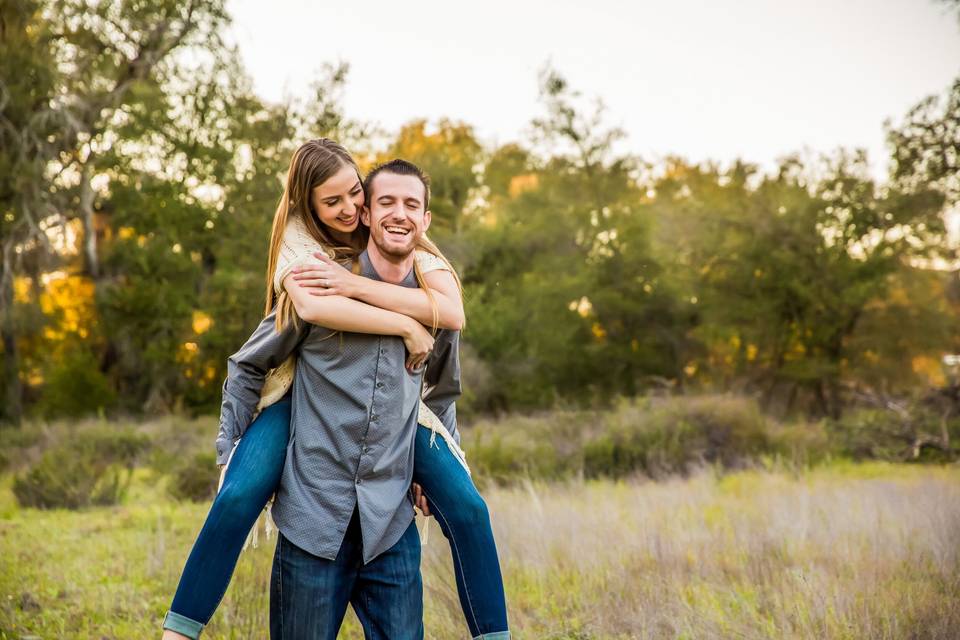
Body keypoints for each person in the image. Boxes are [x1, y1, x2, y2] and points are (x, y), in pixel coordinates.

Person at [161, 141, 510, 640]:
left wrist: (429, 467)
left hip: (389, 527)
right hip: (313, 522)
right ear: (368, 214)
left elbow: (439, 395)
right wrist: (229, 450)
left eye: (411, 205)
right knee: (236, 498)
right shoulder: (314, 277)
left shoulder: (434, 300)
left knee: (472, 510)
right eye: (383, 202)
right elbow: (248, 365)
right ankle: (180, 629)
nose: (395, 213)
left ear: (426, 219)